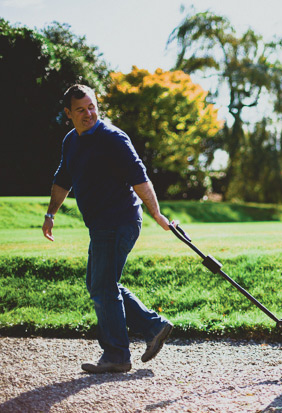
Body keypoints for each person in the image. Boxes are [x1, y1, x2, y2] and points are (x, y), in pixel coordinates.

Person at [42, 84, 174, 374]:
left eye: (92, 106)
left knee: (102, 286)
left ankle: (116, 354)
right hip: (101, 225)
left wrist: (158, 214)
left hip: (118, 221)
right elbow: (63, 179)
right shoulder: (71, 141)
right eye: (80, 109)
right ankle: (154, 325)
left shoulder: (113, 137)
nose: (88, 113)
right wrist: (51, 213)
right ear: (69, 113)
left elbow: (140, 177)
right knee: (100, 284)